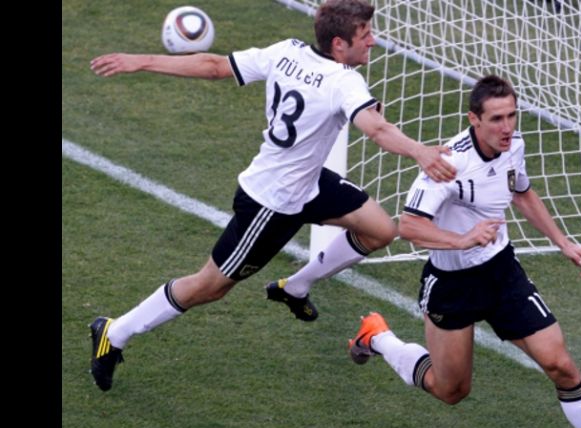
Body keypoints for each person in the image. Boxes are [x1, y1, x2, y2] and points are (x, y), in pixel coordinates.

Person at [87, 0, 456, 392]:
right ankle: (115, 331)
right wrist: (420, 152)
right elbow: (377, 130)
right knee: (210, 286)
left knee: (380, 230)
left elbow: (214, 66)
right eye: (365, 35)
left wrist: (141, 60)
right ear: (338, 43)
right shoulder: (343, 82)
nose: (373, 42)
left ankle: (294, 287)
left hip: (309, 182)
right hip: (272, 202)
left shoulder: (286, 51)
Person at [347, 75, 581, 428]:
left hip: (501, 272)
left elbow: (522, 192)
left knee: (561, 365)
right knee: (451, 390)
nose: (507, 127)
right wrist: (462, 239)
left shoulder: (514, 147)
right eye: (496, 119)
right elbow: (409, 226)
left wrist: (563, 242)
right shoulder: (448, 164)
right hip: (452, 284)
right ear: (474, 119)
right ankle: (377, 337)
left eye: (512, 115)